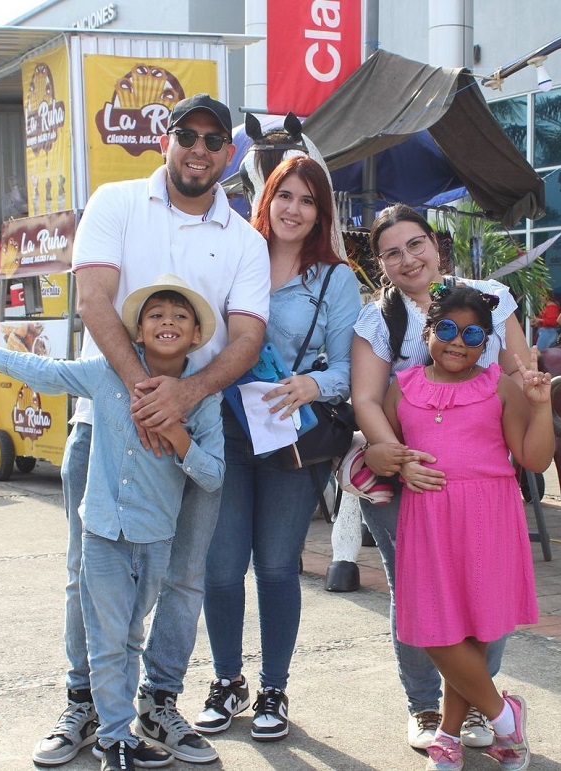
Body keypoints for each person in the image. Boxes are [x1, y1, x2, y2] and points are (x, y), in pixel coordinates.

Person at [32, 94, 270, 768]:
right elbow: (94, 301)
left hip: (195, 432)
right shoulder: (114, 203)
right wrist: (144, 393)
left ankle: (158, 703)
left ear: (227, 154)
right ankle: (84, 701)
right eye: (185, 135)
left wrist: (185, 395)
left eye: (212, 139)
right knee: (87, 571)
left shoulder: (244, 238)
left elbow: (247, 337)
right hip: (104, 426)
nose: (198, 149)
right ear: (164, 142)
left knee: (184, 576)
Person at [0, 277, 225, 771]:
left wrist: (177, 434)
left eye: (180, 317)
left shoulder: (203, 400)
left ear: (197, 334)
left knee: (132, 635)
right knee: (105, 635)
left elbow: (212, 474)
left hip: (154, 537)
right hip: (102, 531)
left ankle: (122, 727)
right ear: (137, 332)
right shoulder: (104, 373)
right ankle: (114, 736)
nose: (167, 322)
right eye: (155, 315)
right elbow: (47, 373)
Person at [350, 204, 530, 753]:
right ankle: (427, 708)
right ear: (380, 264)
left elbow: (520, 370)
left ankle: (478, 707)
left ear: (436, 243)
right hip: (407, 482)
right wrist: (398, 457)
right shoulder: (377, 318)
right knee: (419, 599)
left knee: (481, 597)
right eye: (392, 252)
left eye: (416, 243)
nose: (408, 258)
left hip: (480, 482)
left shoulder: (489, 300)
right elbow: (366, 397)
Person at [196, 156, 362, 742]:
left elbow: (348, 367)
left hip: (292, 436)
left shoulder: (335, 278)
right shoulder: (236, 256)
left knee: (274, 566)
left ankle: (273, 686)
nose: (294, 209)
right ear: (266, 199)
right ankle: (225, 681)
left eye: (308, 200)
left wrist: (314, 384)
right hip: (228, 429)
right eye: (285, 196)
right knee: (219, 567)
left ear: (322, 213)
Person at [383, 284, 553, 771]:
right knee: (433, 627)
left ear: (487, 342)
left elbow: (534, 458)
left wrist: (540, 405)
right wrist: (396, 464)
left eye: (473, 333)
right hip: (428, 520)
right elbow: (385, 451)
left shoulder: (500, 385)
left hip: (488, 518)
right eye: (448, 330)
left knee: (473, 628)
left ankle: (449, 735)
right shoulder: (404, 386)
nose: (458, 342)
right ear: (429, 331)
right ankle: (505, 717)